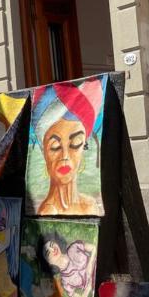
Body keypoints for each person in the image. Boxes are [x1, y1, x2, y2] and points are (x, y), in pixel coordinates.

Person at [30, 77, 104, 215]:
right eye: (55, 146)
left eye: (76, 144)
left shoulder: (91, 205)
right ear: (44, 152)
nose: (65, 156)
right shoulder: (47, 211)